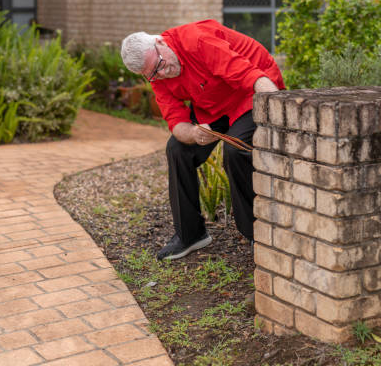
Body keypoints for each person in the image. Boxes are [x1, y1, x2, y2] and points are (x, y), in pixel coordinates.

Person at [120, 19, 285, 260]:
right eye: (154, 74)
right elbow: (176, 122)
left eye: (161, 65)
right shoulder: (158, 76)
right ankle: (191, 234)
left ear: (160, 42)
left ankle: (256, 234)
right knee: (177, 149)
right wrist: (195, 134)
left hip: (250, 90)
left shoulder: (196, 40)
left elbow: (246, 73)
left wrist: (277, 105)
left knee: (234, 150)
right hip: (214, 102)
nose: (163, 74)